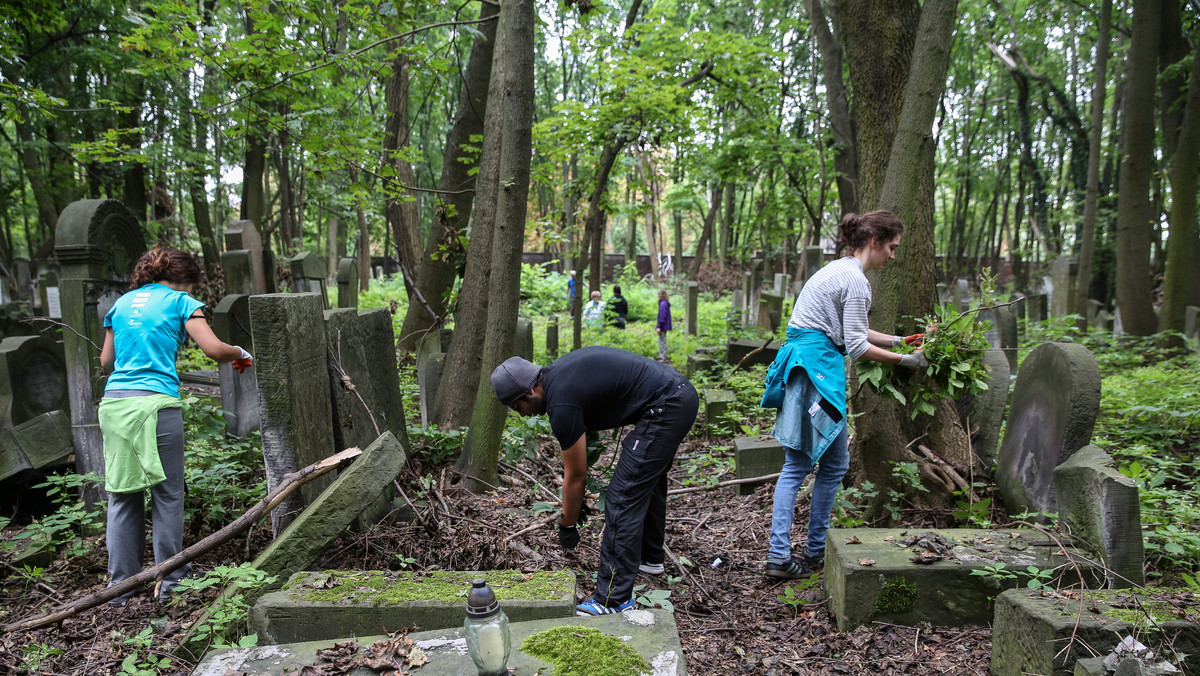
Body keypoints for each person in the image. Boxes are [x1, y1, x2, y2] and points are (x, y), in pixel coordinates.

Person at [760, 210, 928, 579]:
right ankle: (778, 556)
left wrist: (900, 340)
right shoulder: (855, 281)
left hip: (810, 367)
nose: (894, 256)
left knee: (834, 464)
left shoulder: (841, 270)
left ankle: (815, 550)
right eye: (893, 248)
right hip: (813, 374)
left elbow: (856, 329)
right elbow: (855, 345)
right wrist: (907, 360)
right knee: (796, 466)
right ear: (874, 242)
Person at [490, 347, 698, 615]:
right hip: (679, 395)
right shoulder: (559, 378)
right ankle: (650, 558)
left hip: (668, 404)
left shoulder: (561, 403)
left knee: (622, 497)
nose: (519, 413)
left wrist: (567, 524)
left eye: (516, 405)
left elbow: (576, 476)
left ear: (530, 391)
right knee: (645, 481)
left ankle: (612, 599)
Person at [99, 246, 253, 605]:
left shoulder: (120, 305)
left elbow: (107, 360)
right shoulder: (180, 301)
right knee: (167, 495)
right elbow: (213, 349)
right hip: (157, 405)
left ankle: (121, 587)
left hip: (115, 404)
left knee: (122, 495)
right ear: (182, 280)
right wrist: (241, 353)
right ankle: (170, 580)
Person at [655, 289, 672, 361]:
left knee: (662, 341)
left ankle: (663, 357)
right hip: (664, 325)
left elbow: (662, 316)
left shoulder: (662, 304)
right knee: (662, 340)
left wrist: (659, 326)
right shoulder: (665, 303)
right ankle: (662, 356)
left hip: (663, 326)